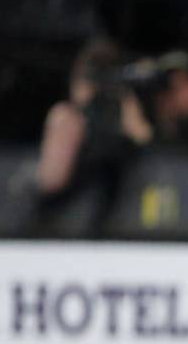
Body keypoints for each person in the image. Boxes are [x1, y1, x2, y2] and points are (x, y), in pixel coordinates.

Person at [31, 37, 152, 237]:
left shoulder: (124, 117)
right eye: (88, 76)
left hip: (116, 230)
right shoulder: (67, 119)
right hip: (61, 231)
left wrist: (129, 116)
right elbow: (51, 182)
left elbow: (152, 158)